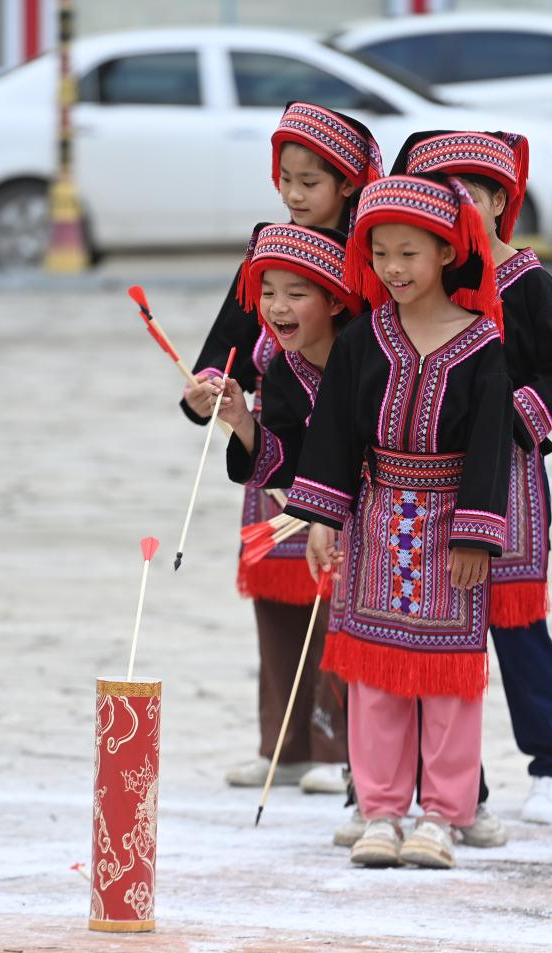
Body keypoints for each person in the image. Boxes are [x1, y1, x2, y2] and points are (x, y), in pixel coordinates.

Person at [285, 172, 513, 868]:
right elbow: (334, 433)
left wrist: (476, 535)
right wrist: (322, 518)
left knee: (449, 678)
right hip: (378, 521)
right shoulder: (362, 340)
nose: (392, 268)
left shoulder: (482, 344)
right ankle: (380, 809)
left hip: (451, 529)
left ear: (445, 252)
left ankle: (443, 814)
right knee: (375, 673)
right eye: (380, 252)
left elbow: (491, 448)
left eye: (409, 253)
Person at [182, 103, 383, 793]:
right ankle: (284, 744)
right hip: (275, 437)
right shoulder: (269, 246)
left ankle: (338, 746)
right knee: (277, 595)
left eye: (309, 182)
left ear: (349, 183)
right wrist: (210, 389)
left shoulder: (373, 255)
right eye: (285, 180)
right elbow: (230, 341)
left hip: (348, 448)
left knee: (339, 596)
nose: (294, 195)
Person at [391, 130, 552, 825]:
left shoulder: (529, 283)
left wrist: (506, 420)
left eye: (468, 195)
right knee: (434, 630)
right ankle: (453, 783)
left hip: (509, 476)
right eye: (440, 196)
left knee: (515, 620)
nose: (455, 208)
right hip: (432, 482)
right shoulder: (430, 284)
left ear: (500, 201)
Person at [202, 222, 362, 778]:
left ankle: (356, 760)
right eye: (268, 292)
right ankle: (301, 754)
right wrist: (242, 421)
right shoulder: (286, 370)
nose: (276, 307)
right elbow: (286, 457)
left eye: (296, 293)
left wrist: (330, 511)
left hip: (387, 517)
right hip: (327, 515)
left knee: (360, 635)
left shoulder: (372, 356)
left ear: (335, 300)